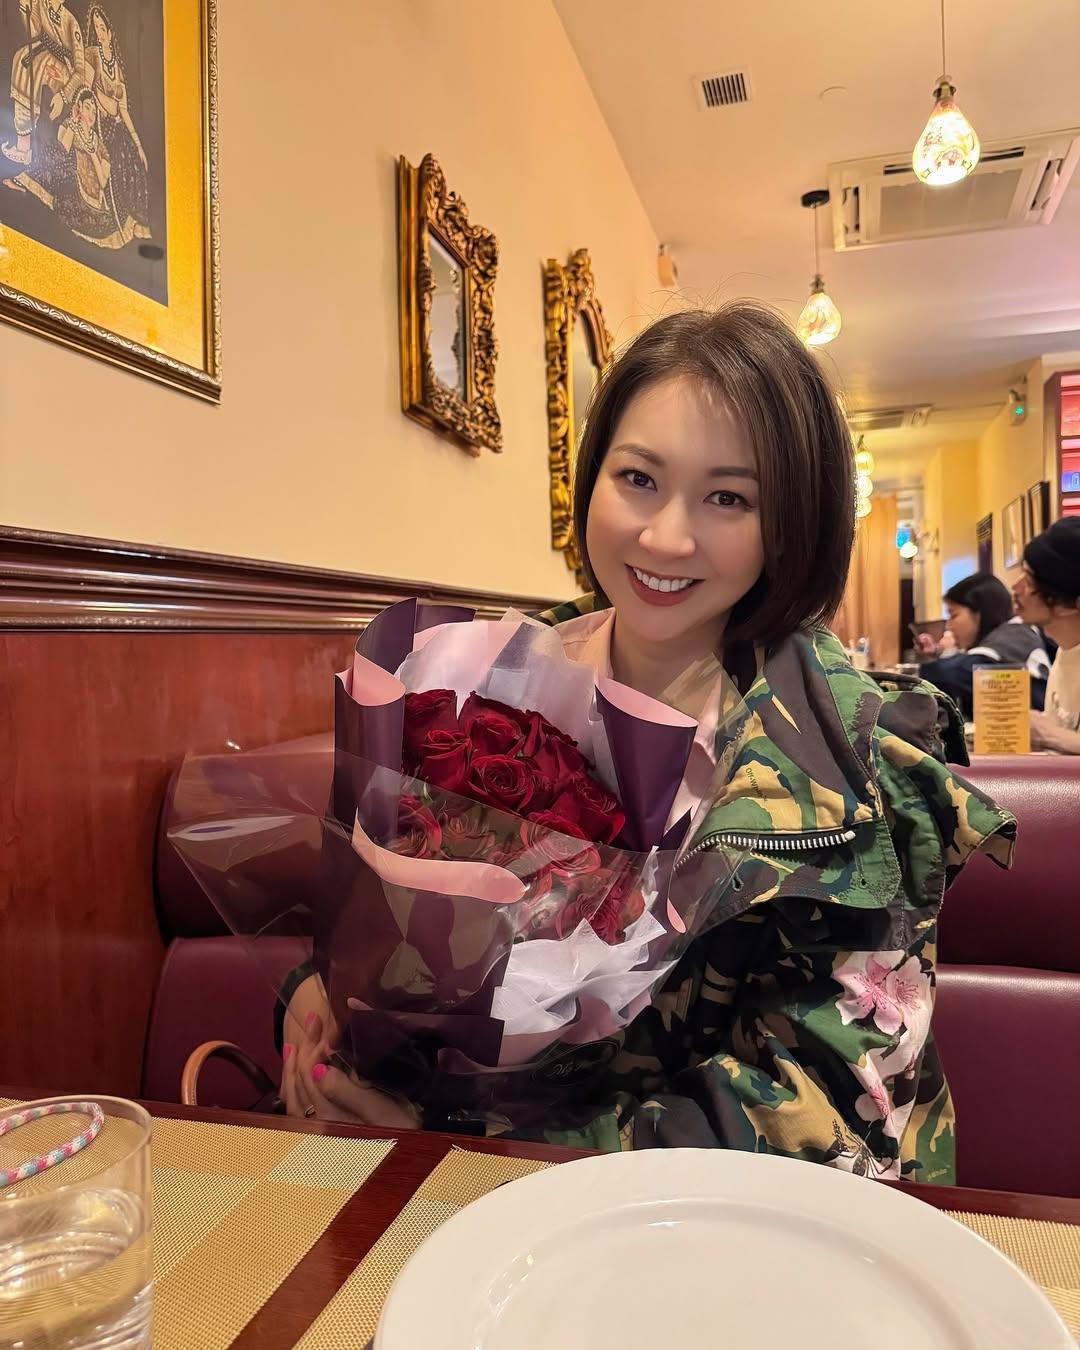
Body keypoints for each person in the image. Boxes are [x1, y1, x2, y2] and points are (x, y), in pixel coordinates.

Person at [281, 305, 1014, 1183]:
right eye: (637, 478)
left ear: (792, 523)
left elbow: (827, 1119)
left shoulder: (855, 763)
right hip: (430, 1175)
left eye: (728, 498)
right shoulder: (486, 679)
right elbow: (389, 908)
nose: (665, 536)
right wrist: (318, 992)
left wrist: (474, 1150)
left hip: (692, 1225)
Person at [915, 572, 1050, 719]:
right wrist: (938, 652)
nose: (949, 626)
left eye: (954, 615)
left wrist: (909, 673)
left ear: (980, 612)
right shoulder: (1016, 632)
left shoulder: (1013, 636)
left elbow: (951, 672)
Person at [1013, 517, 1080, 754]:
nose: (1015, 588)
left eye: (1029, 581)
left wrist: (1049, 735)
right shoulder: (1066, 650)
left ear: (1070, 605)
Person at [84, 4, 150, 241]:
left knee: (134, 161)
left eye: (103, 28)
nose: (99, 33)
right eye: (96, 28)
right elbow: (87, 92)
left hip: (119, 127)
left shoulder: (118, 70)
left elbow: (123, 110)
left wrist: (139, 145)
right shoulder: (92, 55)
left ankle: (138, 220)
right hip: (101, 126)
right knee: (117, 161)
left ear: (110, 32)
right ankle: (123, 220)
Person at [3, 0, 87, 168]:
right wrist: (26, 7)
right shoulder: (41, 4)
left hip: (64, 73)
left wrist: (63, 95)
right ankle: (24, 145)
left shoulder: (71, 22)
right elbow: (34, 31)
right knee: (22, 58)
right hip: (43, 53)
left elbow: (80, 72)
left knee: (38, 64)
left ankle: (27, 146)